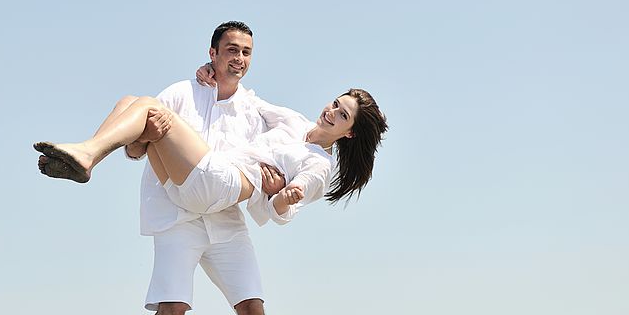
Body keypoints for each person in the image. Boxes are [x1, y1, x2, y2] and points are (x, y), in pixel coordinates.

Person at [37, 21, 280, 315]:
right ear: (212, 53)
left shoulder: (254, 111)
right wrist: (147, 136)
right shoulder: (181, 92)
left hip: (225, 219)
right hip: (177, 214)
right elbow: (135, 150)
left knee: (253, 309)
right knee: (172, 307)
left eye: (246, 52)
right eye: (231, 50)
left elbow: (294, 138)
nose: (238, 59)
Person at [34, 87, 388, 227]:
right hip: (190, 186)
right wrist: (210, 75)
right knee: (129, 103)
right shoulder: (293, 120)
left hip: (222, 182)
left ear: (349, 132)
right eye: (335, 104)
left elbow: (281, 212)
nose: (331, 113)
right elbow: (248, 99)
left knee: (150, 109)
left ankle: (90, 155)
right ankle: (126, 146)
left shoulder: (319, 165)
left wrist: (285, 196)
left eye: (342, 116)